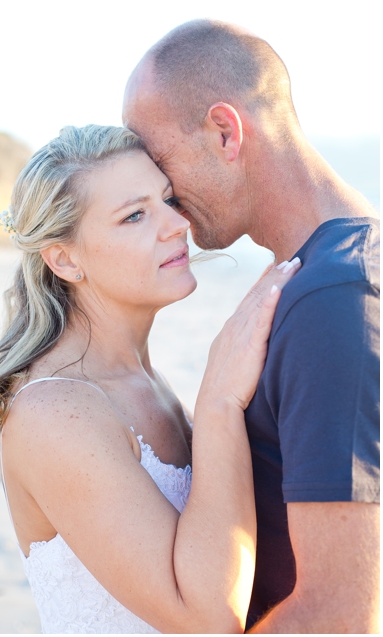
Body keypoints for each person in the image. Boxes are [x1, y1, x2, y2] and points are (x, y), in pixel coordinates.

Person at [0, 124, 300, 633]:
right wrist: (219, 400)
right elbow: (208, 620)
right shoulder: (54, 414)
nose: (177, 224)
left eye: (168, 200)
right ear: (65, 259)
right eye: (134, 215)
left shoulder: (145, 382)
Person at [123, 20, 379, 633]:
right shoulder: (319, 274)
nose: (162, 196)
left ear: (225, 132)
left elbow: (341, 614)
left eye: (159, 164)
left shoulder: (335, 298)